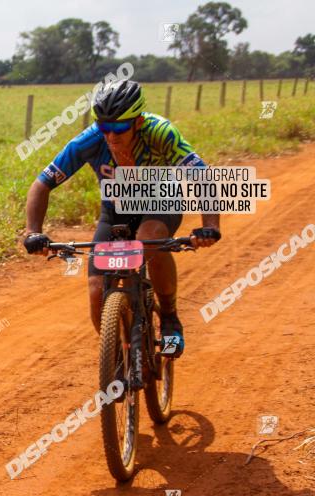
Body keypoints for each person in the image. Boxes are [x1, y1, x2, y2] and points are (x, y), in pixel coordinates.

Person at [22, 79, 221, 356]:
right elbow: (42, 184)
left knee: (148, 241)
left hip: (161, 201)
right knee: (95, 288)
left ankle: (169, 317)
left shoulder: (161, 133)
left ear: (138, 122)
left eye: (119, 127)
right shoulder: (90, 140)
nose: (111, 136)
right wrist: (33, 231)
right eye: (105, 127)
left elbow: (202, 177)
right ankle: (116, 357)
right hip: (115, 211)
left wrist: (209, 226)